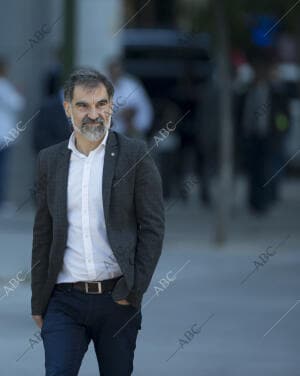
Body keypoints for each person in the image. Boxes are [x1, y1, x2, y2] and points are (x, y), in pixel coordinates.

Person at [31, 68, 165, 375]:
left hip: (116, 299)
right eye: (83, 105)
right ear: (67, 108)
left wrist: (134, 291)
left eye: (101, 104)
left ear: (111, 105)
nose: (94, 114)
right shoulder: (49, 161)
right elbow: (43, 232)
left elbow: (154, 228)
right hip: (64, 299)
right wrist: (39, 301)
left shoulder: (135, 155)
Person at [0, 57, 25, 214]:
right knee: (3, 169)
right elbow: (18, 103)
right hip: (4, 135)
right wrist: (18, 91)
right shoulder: (4, 85)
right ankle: (2, 201)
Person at [107, 58, 153, 139]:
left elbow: (131, 111)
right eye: (113, 70)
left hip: (134, 130)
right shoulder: (103, 86)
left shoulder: (131, 84)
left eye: (118, 70)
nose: (116, 73)